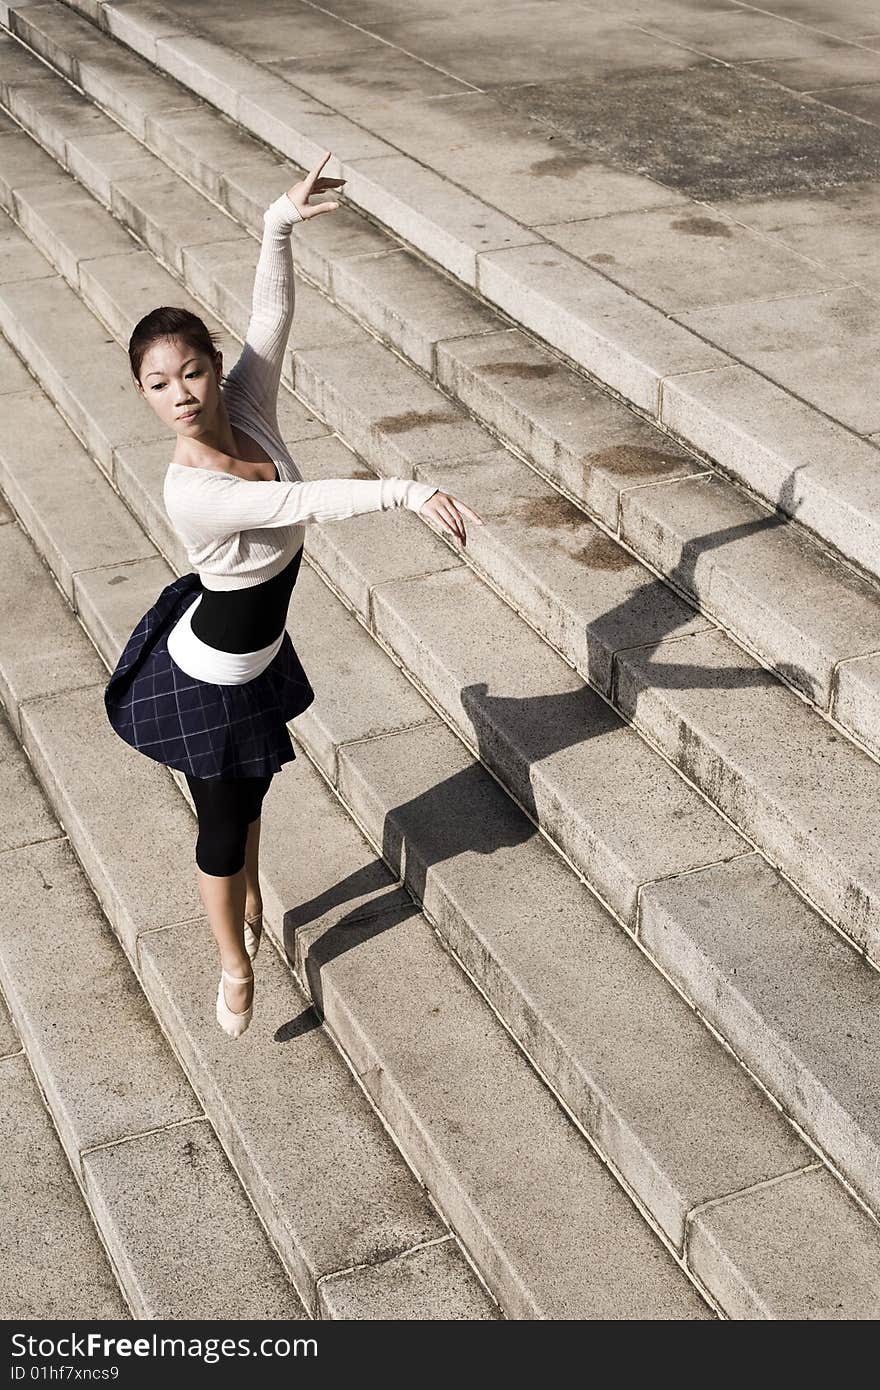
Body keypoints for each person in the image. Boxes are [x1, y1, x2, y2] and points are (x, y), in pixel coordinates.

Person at [104, 150, 483, 1039]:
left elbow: (270, 316)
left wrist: (278, 220)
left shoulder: (247, 400)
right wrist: (404, 488)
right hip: (211, 676)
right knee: (222, 824)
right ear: (143, 394)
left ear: (210, 365)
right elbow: (300, 501)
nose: (180, 396)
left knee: (255, 795)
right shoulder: (189, 485)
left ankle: (248, 916)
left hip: (258, 652)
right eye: (158, 385)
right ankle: (233, 965)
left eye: (190, 372)